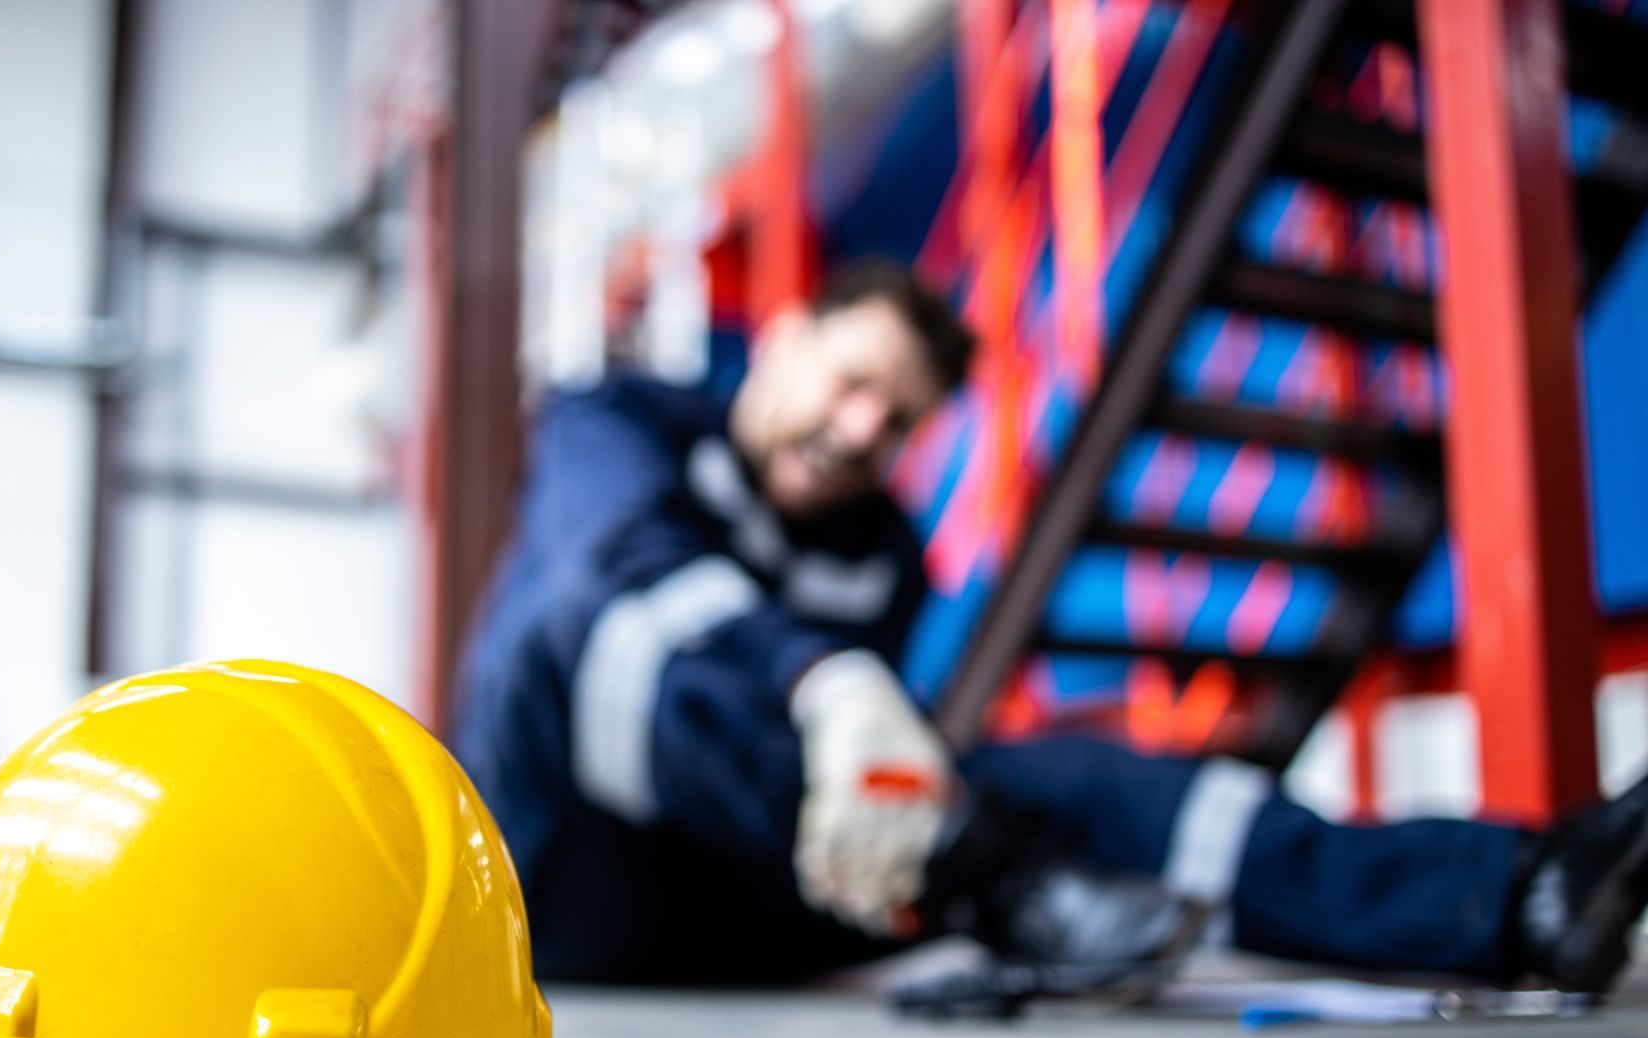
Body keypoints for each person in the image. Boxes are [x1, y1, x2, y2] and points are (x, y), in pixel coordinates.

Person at [453, 258, 1648, 992]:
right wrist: (825, 684)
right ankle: (1000, 877)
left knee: (1075, 779)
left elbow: (883, 777)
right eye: (853, 380)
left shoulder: (886, 552)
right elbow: (614, 577)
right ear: (782, 340)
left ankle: (1511, 892)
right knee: (587, 638)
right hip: (563, 889)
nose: (866, 428)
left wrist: (889, 759)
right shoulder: (612, 420)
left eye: (901, 418)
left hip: (772, 895)